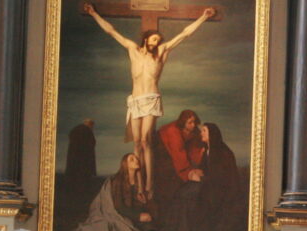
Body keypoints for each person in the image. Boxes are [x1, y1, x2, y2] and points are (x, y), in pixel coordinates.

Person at [85, 3, 216, 197]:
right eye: (154, 39)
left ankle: (149, 184)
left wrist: (203, 17)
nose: (156, 42)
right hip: (136, 101)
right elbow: (111, 31)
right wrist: (93, 13)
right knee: (137, 143)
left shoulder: (161, 53)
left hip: (151, 100)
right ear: (146, 39)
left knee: (146, 140)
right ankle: (138, 185)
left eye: (158, 40)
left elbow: (184, 34)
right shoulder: (133, 50)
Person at [65, 152, 195, 231]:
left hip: (135, 215)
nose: (136, 160)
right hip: (121, 216)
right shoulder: (117, 181)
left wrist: (145, 204)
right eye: (131, 159)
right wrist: (138, 216)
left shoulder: (140, 182)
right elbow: (118, 207)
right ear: (125, 164)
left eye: (136, 158)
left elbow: (142, 205)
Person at [153, 110, 206, 231]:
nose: (193, 125)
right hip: (163, 153)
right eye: (190, 122)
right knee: (168, 187)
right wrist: (189, 173)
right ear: (183, 122)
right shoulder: (173, 131)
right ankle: (166, 229)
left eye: (194, 122)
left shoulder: (193, 131)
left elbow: (194, 150)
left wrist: (200, 159)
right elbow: (178, 154)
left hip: (176, 157)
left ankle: (177, 230)